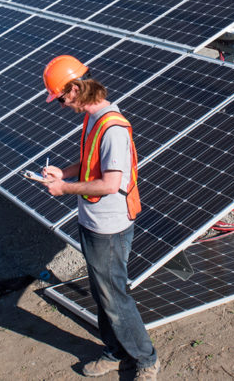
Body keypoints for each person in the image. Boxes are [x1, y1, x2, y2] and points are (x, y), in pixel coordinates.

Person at [37, 55, 160, 380]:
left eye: (61, 98)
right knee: (101, 291)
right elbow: (91, 163)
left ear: (76, 88)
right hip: (91, 220)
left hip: (110, 227)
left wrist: (64, 188)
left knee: (114, 296)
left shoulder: (112, 127)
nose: (62, 104)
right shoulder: (92, 119)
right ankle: (116, 351)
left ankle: (146, 360)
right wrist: (62, 173)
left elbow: (110, 182)